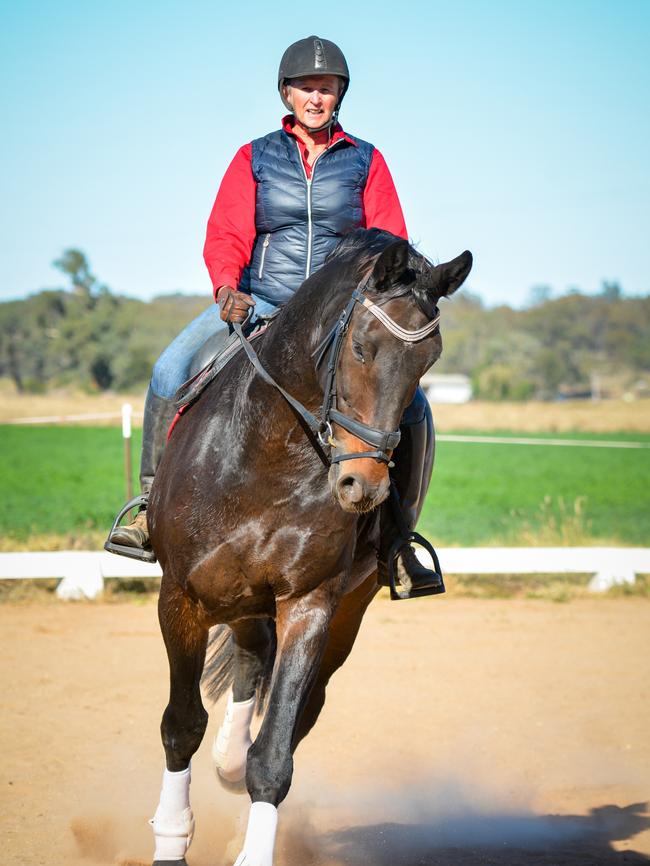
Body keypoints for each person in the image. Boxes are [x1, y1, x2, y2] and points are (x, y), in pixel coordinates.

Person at [107, 35, 440, 593]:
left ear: (340, 95)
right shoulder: (255, 156)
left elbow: (391, 241)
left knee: (415, 407)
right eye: (306, 87)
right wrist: (225, 289)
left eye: (326, 88)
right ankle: (147, 508)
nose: (316, 96)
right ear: (287, 94)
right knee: (170, 368)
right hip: (260, 299)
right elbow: (227, 231)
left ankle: (400, 540)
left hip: (340, 312)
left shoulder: (367, 159)